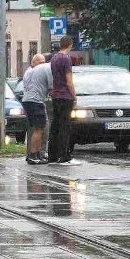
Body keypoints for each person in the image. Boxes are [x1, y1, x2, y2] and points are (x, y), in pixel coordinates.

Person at [48, 35, 81, 165]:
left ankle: (52, 155)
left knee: (55, 126)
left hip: (55, 95)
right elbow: (69, 81)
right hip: (65, 96)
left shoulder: (54, 58)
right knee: (65, 127)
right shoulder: (66, 59)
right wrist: (74, 95)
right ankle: (64, 156)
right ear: (70, 45)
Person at [21, 53, 52, 164]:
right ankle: (34, 154)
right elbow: (51, 86)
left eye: (43, 62)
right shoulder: (41, 70)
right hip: (36, 101)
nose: (42, 65)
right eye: (40, 62)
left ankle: (34, 153)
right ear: (32, 62)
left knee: (37, 129)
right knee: (40, 128)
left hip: (29, 100)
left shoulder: (30, 71)